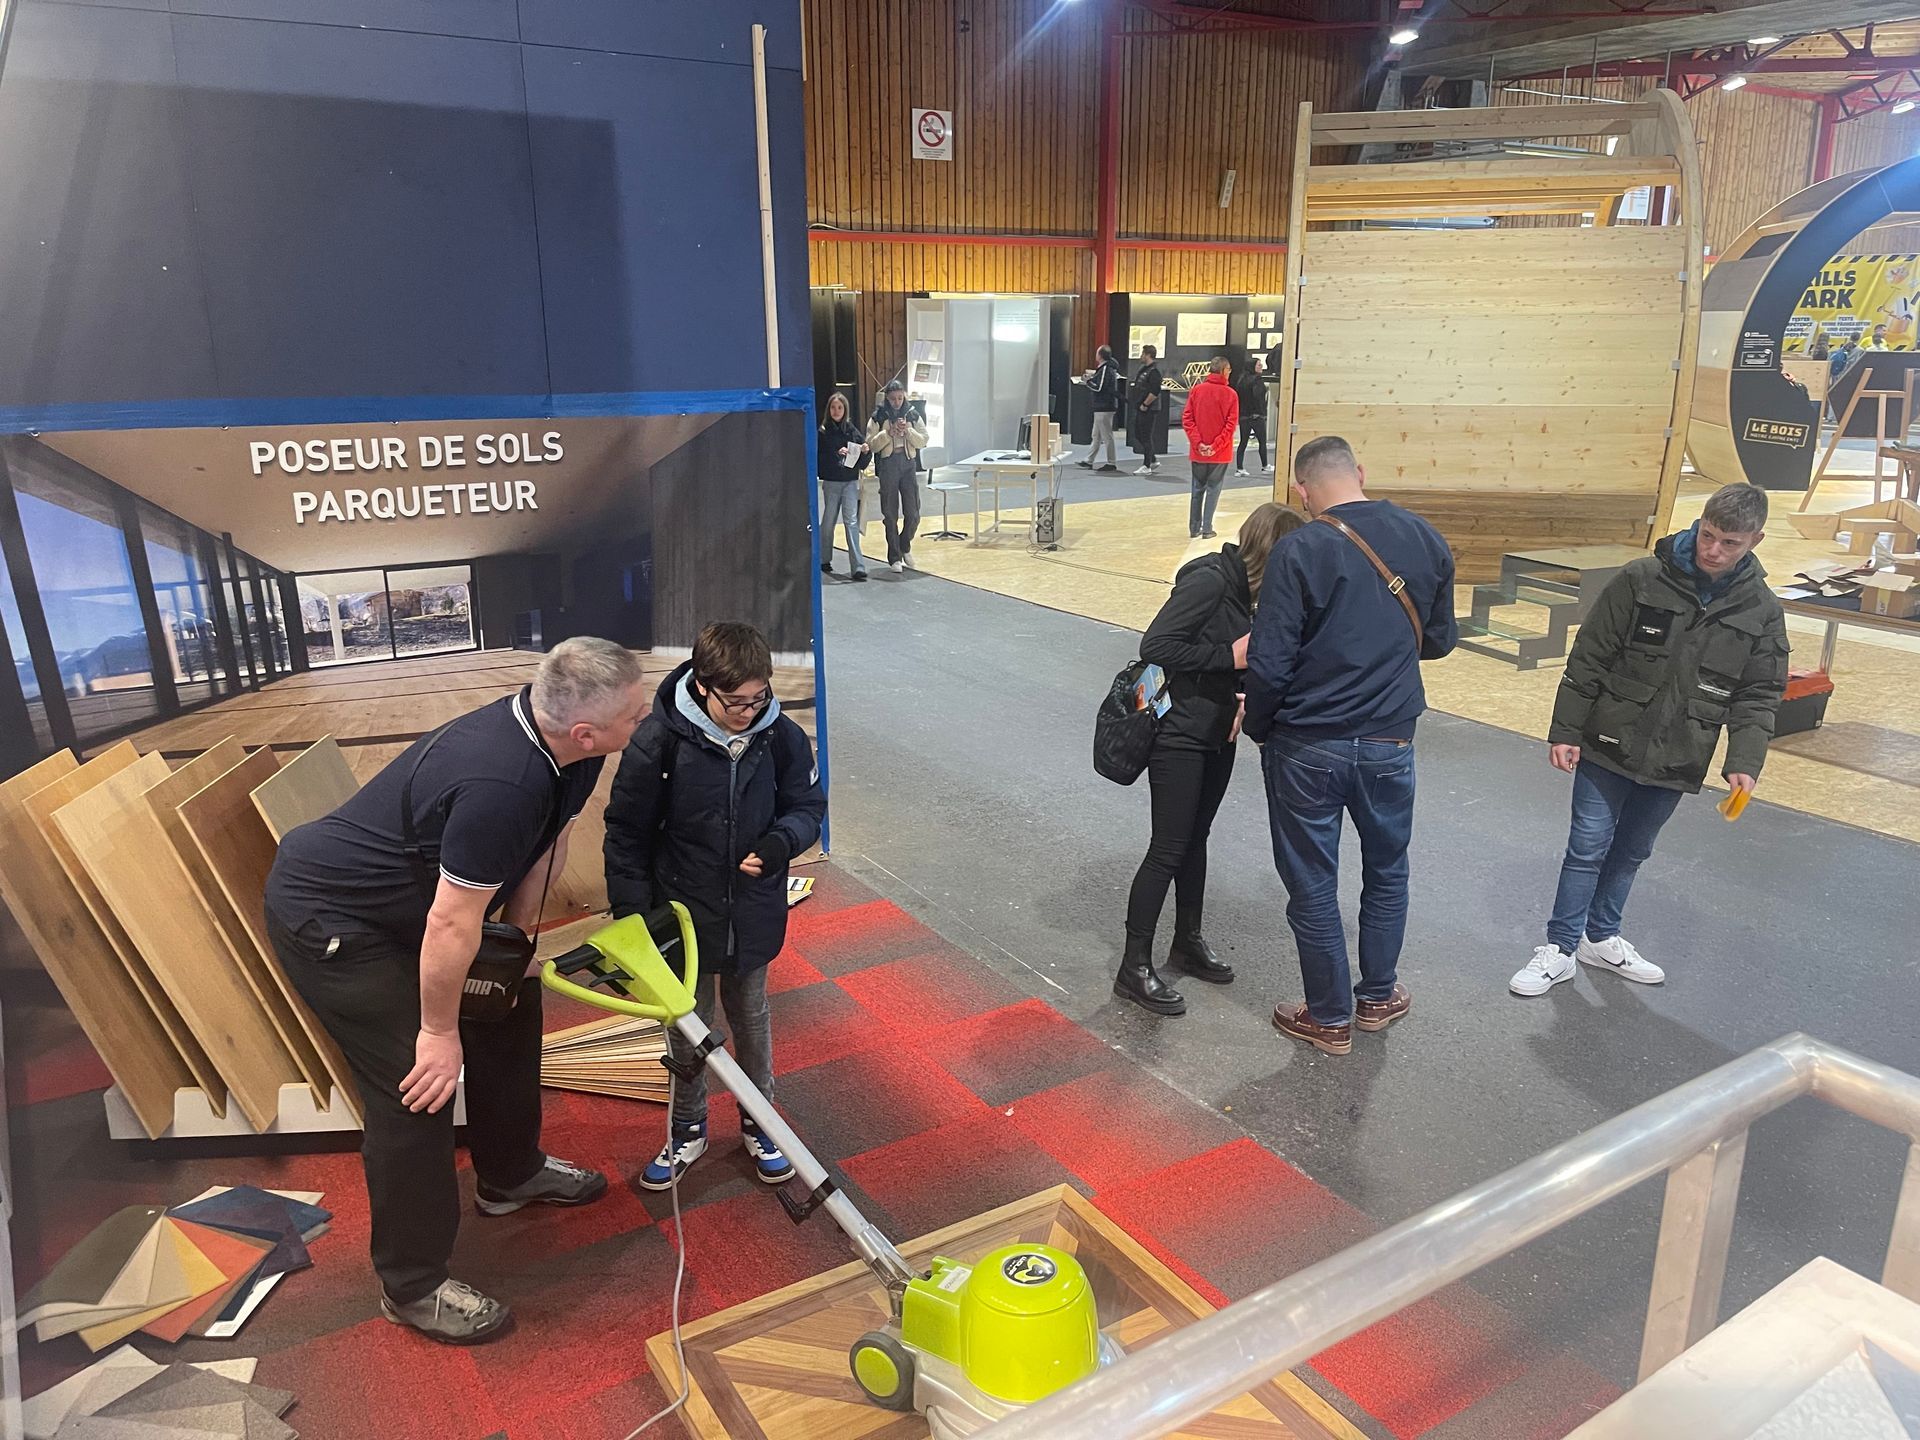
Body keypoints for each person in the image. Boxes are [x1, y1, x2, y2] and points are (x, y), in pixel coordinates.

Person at [263, 637, 649, 1343]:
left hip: (417, 907)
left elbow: (547, 845)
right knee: (419, 1089)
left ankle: (510, 1175)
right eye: (636, 709)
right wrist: (438, 1034)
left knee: (510, 1001)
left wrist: (516, 946)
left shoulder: (576, 753)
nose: (646, 714)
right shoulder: (502, 783)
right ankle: (411, 1285)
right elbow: (449, 921)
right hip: (338, 918)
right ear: (586, 729)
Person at [1510, 484, 1786, 999]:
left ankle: (1602, 936)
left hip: (1681, 752)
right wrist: (1566, 730)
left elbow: (1759, 693)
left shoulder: (1762, 611)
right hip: (1607, 740)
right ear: (1697, 524)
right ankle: (1560, 948)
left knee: (1633, 850)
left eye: (1730, 543)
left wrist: (1744, 760)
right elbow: (1589, 656)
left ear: (1756, 541)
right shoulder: (1641, 578)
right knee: (1588, 847)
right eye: (1708, 535)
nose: (1713, 551)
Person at [1244, 436, 1457, 1057]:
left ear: (1303, 491)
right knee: (1388, 869)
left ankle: (1330, 1016)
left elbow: (1270, 657)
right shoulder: (1424, 536)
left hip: (1308, 743)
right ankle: (1378, 996)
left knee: (1313, 881)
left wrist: (1260, 725)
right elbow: (1439, 639)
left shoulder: (1300, 547)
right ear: (1360, 473)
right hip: (1392, 738)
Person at [604, 622, 826, 1190]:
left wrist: (782, 844)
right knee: (687, 1025)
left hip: (753, 911)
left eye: (759, 698)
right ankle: (687, 1128)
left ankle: (761, 1124)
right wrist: (634, 919)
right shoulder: (658, 741)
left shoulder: (782, 737)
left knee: (751, 1019)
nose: (749, 711)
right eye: (735, 701)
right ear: (702, 685)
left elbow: (806, 805)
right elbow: (626, 833)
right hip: (682, 914)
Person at [1117, 503, 1307, 1016]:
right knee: (1168, 848)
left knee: (1195, 841)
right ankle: (1133, 967)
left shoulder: (1254, 597)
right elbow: (1156, 645)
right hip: (1177, 734)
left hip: (1217, 733)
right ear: (1275, 554)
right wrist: (1231, 658)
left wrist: (1244, 689)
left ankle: (1187, 941)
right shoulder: (1208, 582)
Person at [867, 380, 928, 573]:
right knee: (890, 513)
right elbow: (871, 445)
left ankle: (904, 546)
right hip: (888, 464)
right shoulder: (878, 416)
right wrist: (888, 433)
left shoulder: (912, 413)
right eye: (893, 399)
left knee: (913, 513)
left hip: (908, 464)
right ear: (887, 398)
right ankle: (894, 556)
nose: (897, 402)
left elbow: (924, 440)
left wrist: (907, 431)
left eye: (900, 398)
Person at [1182, 357, 1239, 540]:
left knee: (1197, 489)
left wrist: (1198, 443)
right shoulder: (1231, 395)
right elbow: (1230, 426)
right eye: (1229, 369)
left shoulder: (1196, 390)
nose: (1230, 372)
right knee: (1213, 489)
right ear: (1223, 370)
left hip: (1198, 452)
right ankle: (1207, 528)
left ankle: (1194, 527)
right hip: (1219, 453)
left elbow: (1187, 419)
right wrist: (1215, 446)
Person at [818, 391, 869, 583]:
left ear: (845, 409)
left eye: (840, 407)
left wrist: (865, 451)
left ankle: (858, 566)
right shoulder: (823, 432)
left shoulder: (851, 430)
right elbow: (820, 459)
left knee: (851, 522)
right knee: (829, 521)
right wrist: (836, 454)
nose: (836, 411)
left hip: (849, 481)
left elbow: (862, 462)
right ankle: (824, 559)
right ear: (828, 410)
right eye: (833, 407)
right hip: (831, 482)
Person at [1078, 345, 1124, 473]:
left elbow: (1100, 388)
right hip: (1102, 407)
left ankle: (1111, 462)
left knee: (1106, 436)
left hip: (1104, 406)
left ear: (1100, 355)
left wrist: (1088, 382)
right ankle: (1089, 460)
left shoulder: (1105, 369)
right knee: (1096, 435)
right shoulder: (1106, 369)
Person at [1130, 345, 1165, 475]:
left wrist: (1145, 404)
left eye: (1143, 353)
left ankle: (1146, 465)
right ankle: (1153, 459)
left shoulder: (1154, 371)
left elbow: (1155, 391)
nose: (1141, 356)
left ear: (1148, 355)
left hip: (1149, 409)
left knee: (1145, 435)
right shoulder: (1144, 369)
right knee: (1138, 434)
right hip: (1140, 407)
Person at [1233, 360, 1270, 477]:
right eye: (1258, 364)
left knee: (1243, 442)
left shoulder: (1240, 380)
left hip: (1243, 416)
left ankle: (1239, 468)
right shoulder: (1257, 380)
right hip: (1256, 416)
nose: (1261, 366)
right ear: (1253, 367)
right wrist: (1260, 413)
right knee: (1262, 442)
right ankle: (1265, 466)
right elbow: (1258, 398)